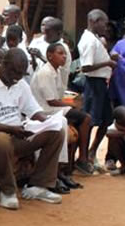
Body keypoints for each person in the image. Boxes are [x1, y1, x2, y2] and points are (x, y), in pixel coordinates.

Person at [0, 48, 64, 210]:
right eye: (15, 73)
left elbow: (34, 110)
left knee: (57, 132)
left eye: (21, 75)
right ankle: (8, 192)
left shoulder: (19, 82)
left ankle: (38, 186)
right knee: (2, 140)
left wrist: (48, 122)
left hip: (18, 132)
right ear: (4, 65)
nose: (17, 78)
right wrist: (12, 129)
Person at [30, 43, 94, 175]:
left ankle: (70, 165)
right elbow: (51, 101)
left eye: (65, 53)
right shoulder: (45, 73)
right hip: (45, 110)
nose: (64, 56)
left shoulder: (57, 71)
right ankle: (82, 159)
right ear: (49, 55)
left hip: (54, 107)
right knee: (85, 118)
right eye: (60, 53)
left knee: (81, 119)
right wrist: (71, 105)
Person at [78, 9, 116, 172]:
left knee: (107, 119)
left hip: (101, 84)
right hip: (93, 84)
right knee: (90, 122)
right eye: (103, 23)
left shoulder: (95, 39)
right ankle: (83, 158)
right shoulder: (89, 41)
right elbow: (86, 67)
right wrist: (107, 63)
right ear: (94, 21)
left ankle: (92, 152)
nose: (106, 27)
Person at [28, 18, 71, 90]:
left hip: (54, 88)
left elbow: (57, 69)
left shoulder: (63, 49)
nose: (45, 36)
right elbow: (36, 68)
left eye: (49, 34)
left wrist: (41, 56)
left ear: (59, 33)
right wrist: (33, 56)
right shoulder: (39, 42)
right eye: (45, 33)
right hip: (38, 86)